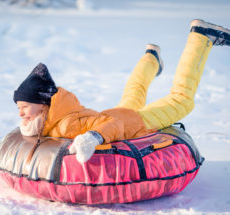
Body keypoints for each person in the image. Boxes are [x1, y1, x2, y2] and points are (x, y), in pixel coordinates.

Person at [14, 19, 230, 164]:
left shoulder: (66, 124)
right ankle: (150, 58)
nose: (21, 114)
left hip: (136, 122)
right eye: (19, 108)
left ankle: (201, 38)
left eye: (25, 107)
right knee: (134, 93)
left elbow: (114, 126)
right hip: (119, 113)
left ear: (44, 105)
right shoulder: (56, 118)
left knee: (181, 98)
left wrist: (92, 137)